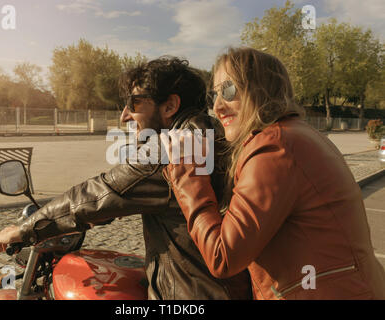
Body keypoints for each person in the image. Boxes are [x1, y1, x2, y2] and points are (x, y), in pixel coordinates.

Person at [0, 56, 252, 300]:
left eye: (134, 103)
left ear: (170, 105)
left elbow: (97, 194)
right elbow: (124, 192)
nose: (125, 114)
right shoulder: (216, 134)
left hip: (188, 294)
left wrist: (24, 229)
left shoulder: (170, 149)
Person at [164, 47, 385, 300]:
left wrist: (187, 172)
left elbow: (223, 256)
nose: (217, 106)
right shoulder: (298, 133)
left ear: (261, 90)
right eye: (214, 94)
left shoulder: (274, 147)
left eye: (228, 90)